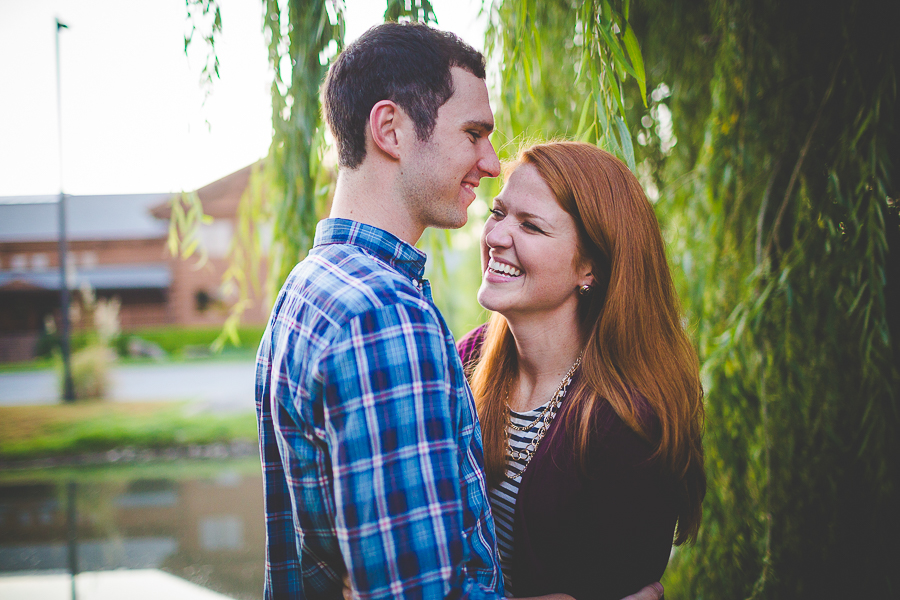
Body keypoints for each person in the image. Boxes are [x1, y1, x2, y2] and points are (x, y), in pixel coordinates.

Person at [256, 21, 666, 600]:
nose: (492, 161)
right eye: (473, 133)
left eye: (531, 223)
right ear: (391, 129)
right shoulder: (383, 318)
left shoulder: (308, 286)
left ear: (589, 268)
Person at [458, 141, 707, 600]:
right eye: (498, 213)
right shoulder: (466, 361)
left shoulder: (627, 424)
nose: (494, 236)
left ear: (589, 266)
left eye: (530, 226)